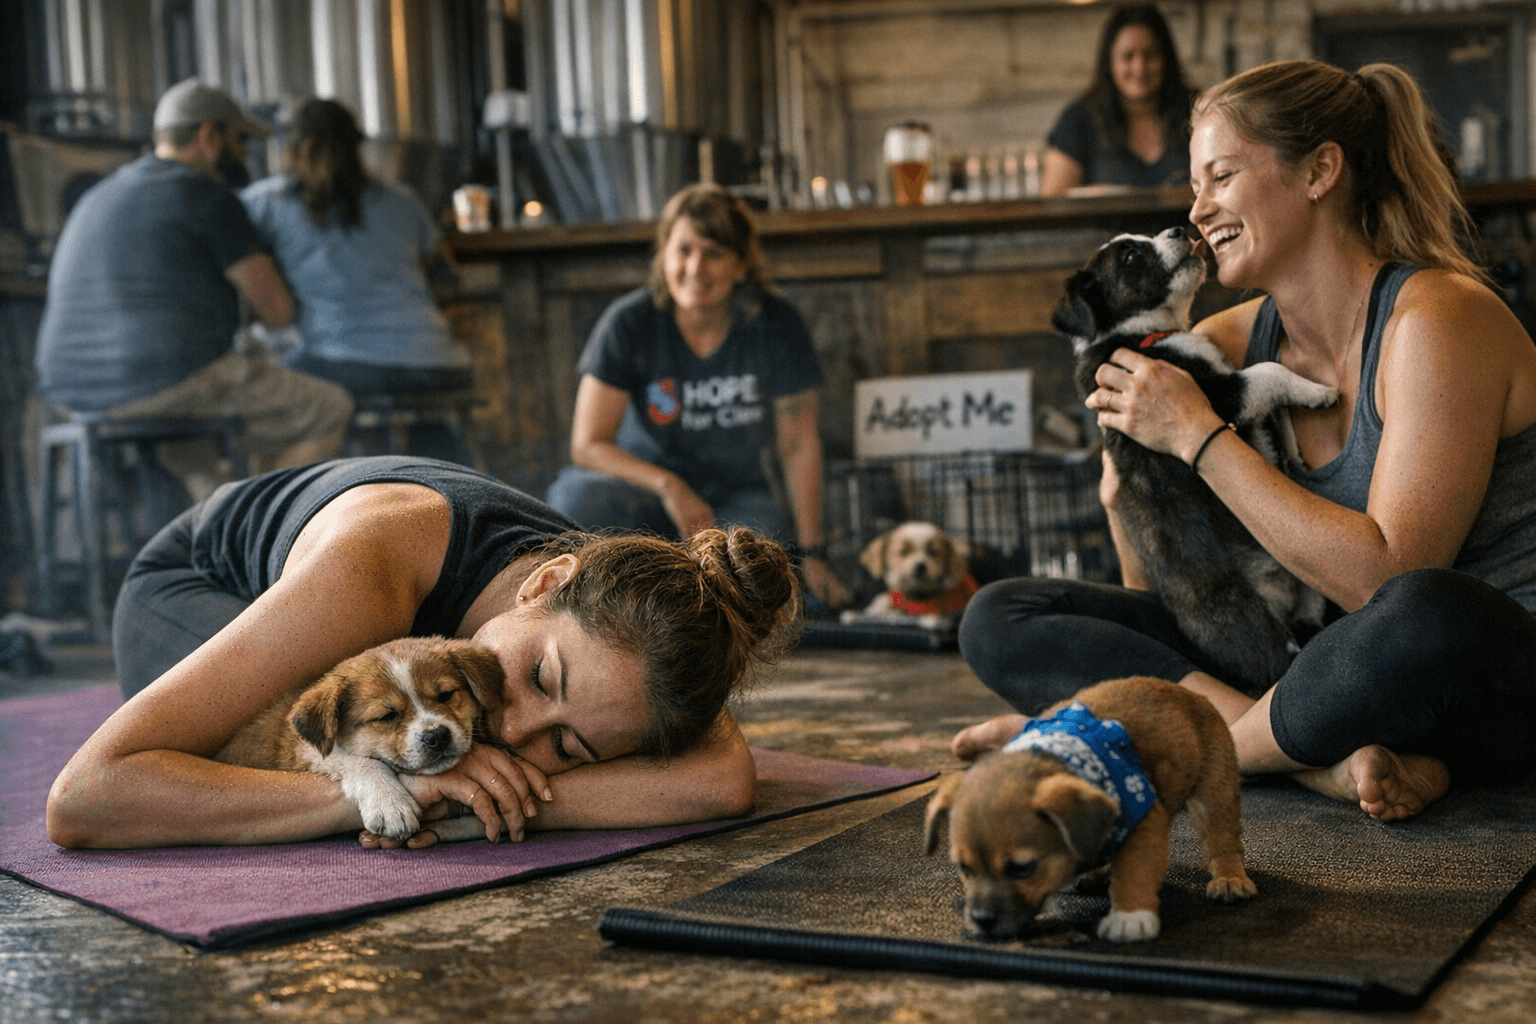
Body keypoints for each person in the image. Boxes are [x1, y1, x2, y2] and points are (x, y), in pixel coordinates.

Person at [954, 60, 1536, 824]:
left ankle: (1169, 745)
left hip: (1475, 676)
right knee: (1002, 615)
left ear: (1320, 171)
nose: (1198, 212)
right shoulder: (1220, 341)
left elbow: (1386, 577)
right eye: (1196, 185)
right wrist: (1125, 490)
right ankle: (1313, 760)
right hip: (1320, 666)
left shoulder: (1436, 322)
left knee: (1421, 609)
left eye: (1220, 177)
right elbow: (1170, 598)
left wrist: (1198, 437)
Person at [45, 455, 799, 850]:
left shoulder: (636, 624)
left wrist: (488, 801)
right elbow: (88, 797)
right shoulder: (367, 575)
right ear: (542, 582)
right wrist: (382, 795)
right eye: (538, 677)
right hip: (193, 582)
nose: (511, 731)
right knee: (265, 749)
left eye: (568, 745)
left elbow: (723, 780)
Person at [33, 79, 354, 497]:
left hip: (68, 388)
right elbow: (278, 312)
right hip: (159, 385)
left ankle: (217, 531)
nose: (243, 154)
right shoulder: (206, 195)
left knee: (195, 437)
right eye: (238, 140)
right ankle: (260, 539)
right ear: (208, 136)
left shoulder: (102, 192)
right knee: (327, 406)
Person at [545, 183, 849, 608]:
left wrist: (812, 555)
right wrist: (670, 486)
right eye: (684, 250)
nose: (695, 268)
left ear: (742, 265)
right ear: (664, 255)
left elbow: (798, 445)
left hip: (733, 495)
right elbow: (588, 444)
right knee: (574, 499)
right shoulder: (628, 322)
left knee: (759, 562)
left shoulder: (776, 324)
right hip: (646, 490)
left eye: (714, 253)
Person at [240, 98, 475, 464]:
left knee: (262, 388)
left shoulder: (263, 203)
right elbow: (447, 277)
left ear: (292, 147)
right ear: (357, 145)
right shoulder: (404, 201)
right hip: (438, 361)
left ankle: (290, 502)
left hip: (343, 363)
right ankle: (432, 471)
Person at [1039, 4, 1197, 197]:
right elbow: (1053, 202)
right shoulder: (1079, 120)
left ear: (1166, 59)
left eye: (1150, 55)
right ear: (1110, 61)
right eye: (1128, 56)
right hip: (1105, 228)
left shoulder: (1197, 110)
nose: (1140, 68)